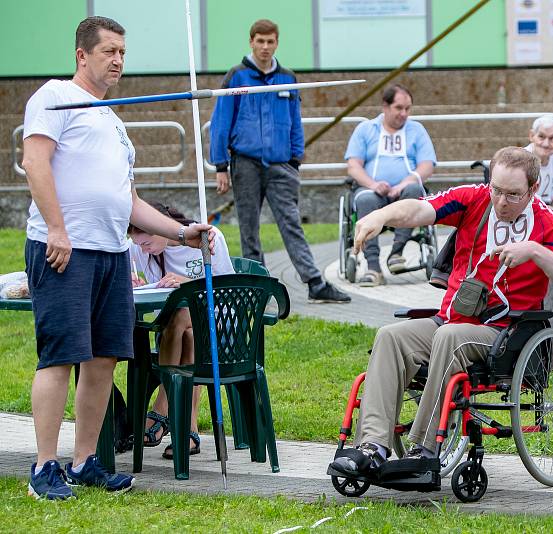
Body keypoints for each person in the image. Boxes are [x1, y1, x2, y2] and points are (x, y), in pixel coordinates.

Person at [22, 16, 213, 500]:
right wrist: (58, 230)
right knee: (60, 355)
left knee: (104, 359)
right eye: (108, 51)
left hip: (111, 252)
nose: (118, 60)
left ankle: (85, 461)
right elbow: (35, 162)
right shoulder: (54, 97)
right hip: (65, 248)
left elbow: (127, 201)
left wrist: (180, 233)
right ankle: (44, 468)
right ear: (82, 55)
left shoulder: (113, 118)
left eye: (123, 52)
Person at [329, 147, 553, 475]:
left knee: (451, 337)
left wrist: (536, 252)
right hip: (451, 318)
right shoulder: (474, 199)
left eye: (513, 195)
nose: (501, 202)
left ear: (533, 189)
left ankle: (424, 449)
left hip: (506, 333)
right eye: (496, 190)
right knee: (391, 337)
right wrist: (380, 216)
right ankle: (372, 446)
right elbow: (419, 210)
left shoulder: (548, 224)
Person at [209, 18, 350, 304]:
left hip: (281, 165)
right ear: (251, 42)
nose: (264, 47)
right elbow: (220, 122)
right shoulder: (236, 76)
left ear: (276, 43)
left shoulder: (287, 77)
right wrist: (220, 165)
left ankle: (314, 282)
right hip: (245, 163)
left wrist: (295, 158)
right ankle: (256, 286)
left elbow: (295, 121)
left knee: (291, 224)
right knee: (249, 227)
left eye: (270, 41)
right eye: (259, 41)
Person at [129, 202, 234, 460]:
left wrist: (188, 284)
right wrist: (134, 281)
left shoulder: (207, 239)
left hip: (218, 323)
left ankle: (162, 409)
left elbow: (226, 291)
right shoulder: (140, 250)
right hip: (176, 331)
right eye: (140, 245)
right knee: (184, 328)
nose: (143, 249)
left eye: (147, 242)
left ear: (161, 226)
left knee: (187, 317)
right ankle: (187, 427)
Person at [345, 84, 437, 286]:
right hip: (373, 190)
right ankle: (373, 268)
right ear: (385, 107)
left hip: (405, 190)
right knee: (366, 198)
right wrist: (373, 184)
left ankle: (396, 252)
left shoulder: (416, 130)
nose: (404, 113)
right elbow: (353, 166)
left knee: (414, 190)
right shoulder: (366, 129)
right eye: (398, 108)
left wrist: (404, 183)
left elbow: (427, 165)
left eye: (408, 108)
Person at [523, 113, 553, 208]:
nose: (546, 144)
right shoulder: (519, 159)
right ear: (531, 136)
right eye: (541, 137)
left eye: (552, 138)